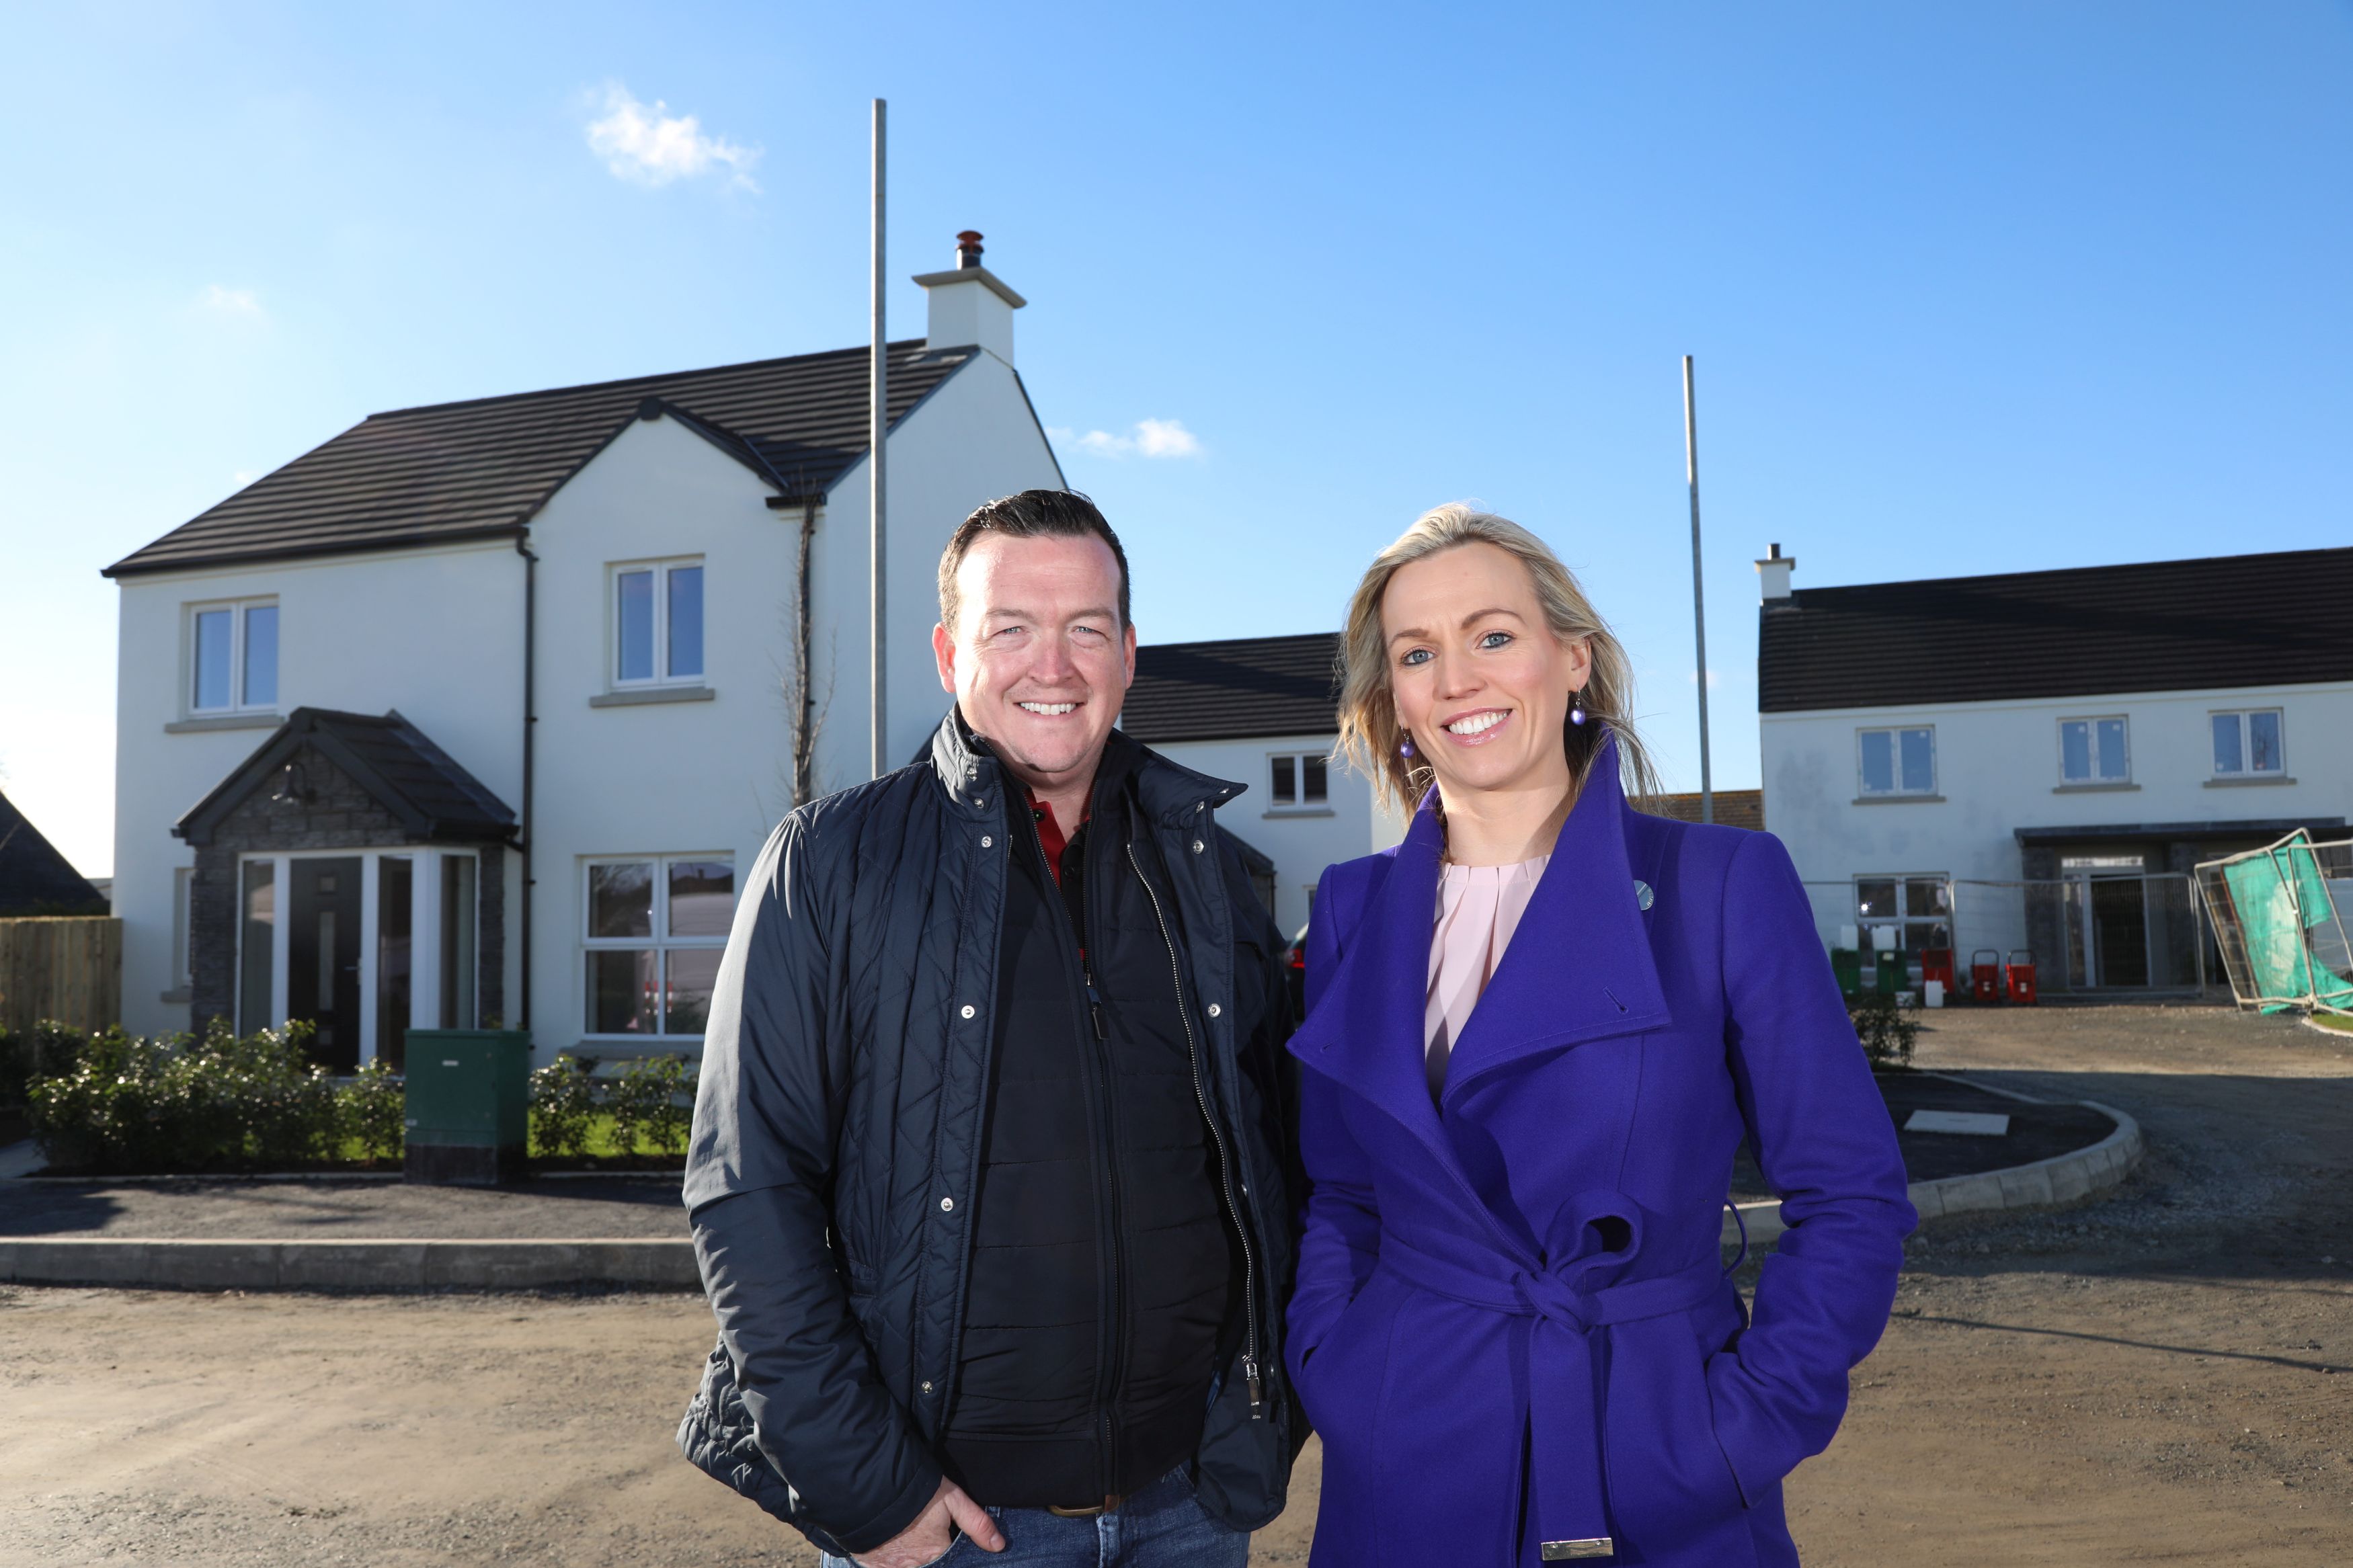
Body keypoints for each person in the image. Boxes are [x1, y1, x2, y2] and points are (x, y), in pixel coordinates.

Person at [676, 489, 1300, 1568]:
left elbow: (1270, 1155)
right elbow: (749, 1185)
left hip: (1187, 1509)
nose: (1050, 666)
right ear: (948, 651)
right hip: (952, 1527)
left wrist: (1260, 1420)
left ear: (1130, 653)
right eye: (1010, 627)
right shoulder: (832, 863)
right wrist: (869, 1489)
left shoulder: (1212, 872)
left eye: (1086, 629)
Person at [1285, 504, 1914, 1567]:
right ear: (1390, 698)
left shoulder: (1719, 883)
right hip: (1405, 1456)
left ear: (1572, 657)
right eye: (1417, 653)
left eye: (1494, 636)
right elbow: (1343, 1188)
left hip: (1657, 1458)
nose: (1458, 679)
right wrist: (1337, 1364)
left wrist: (1740, 1423)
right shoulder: (1351, 906)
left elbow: (1851, 1190)